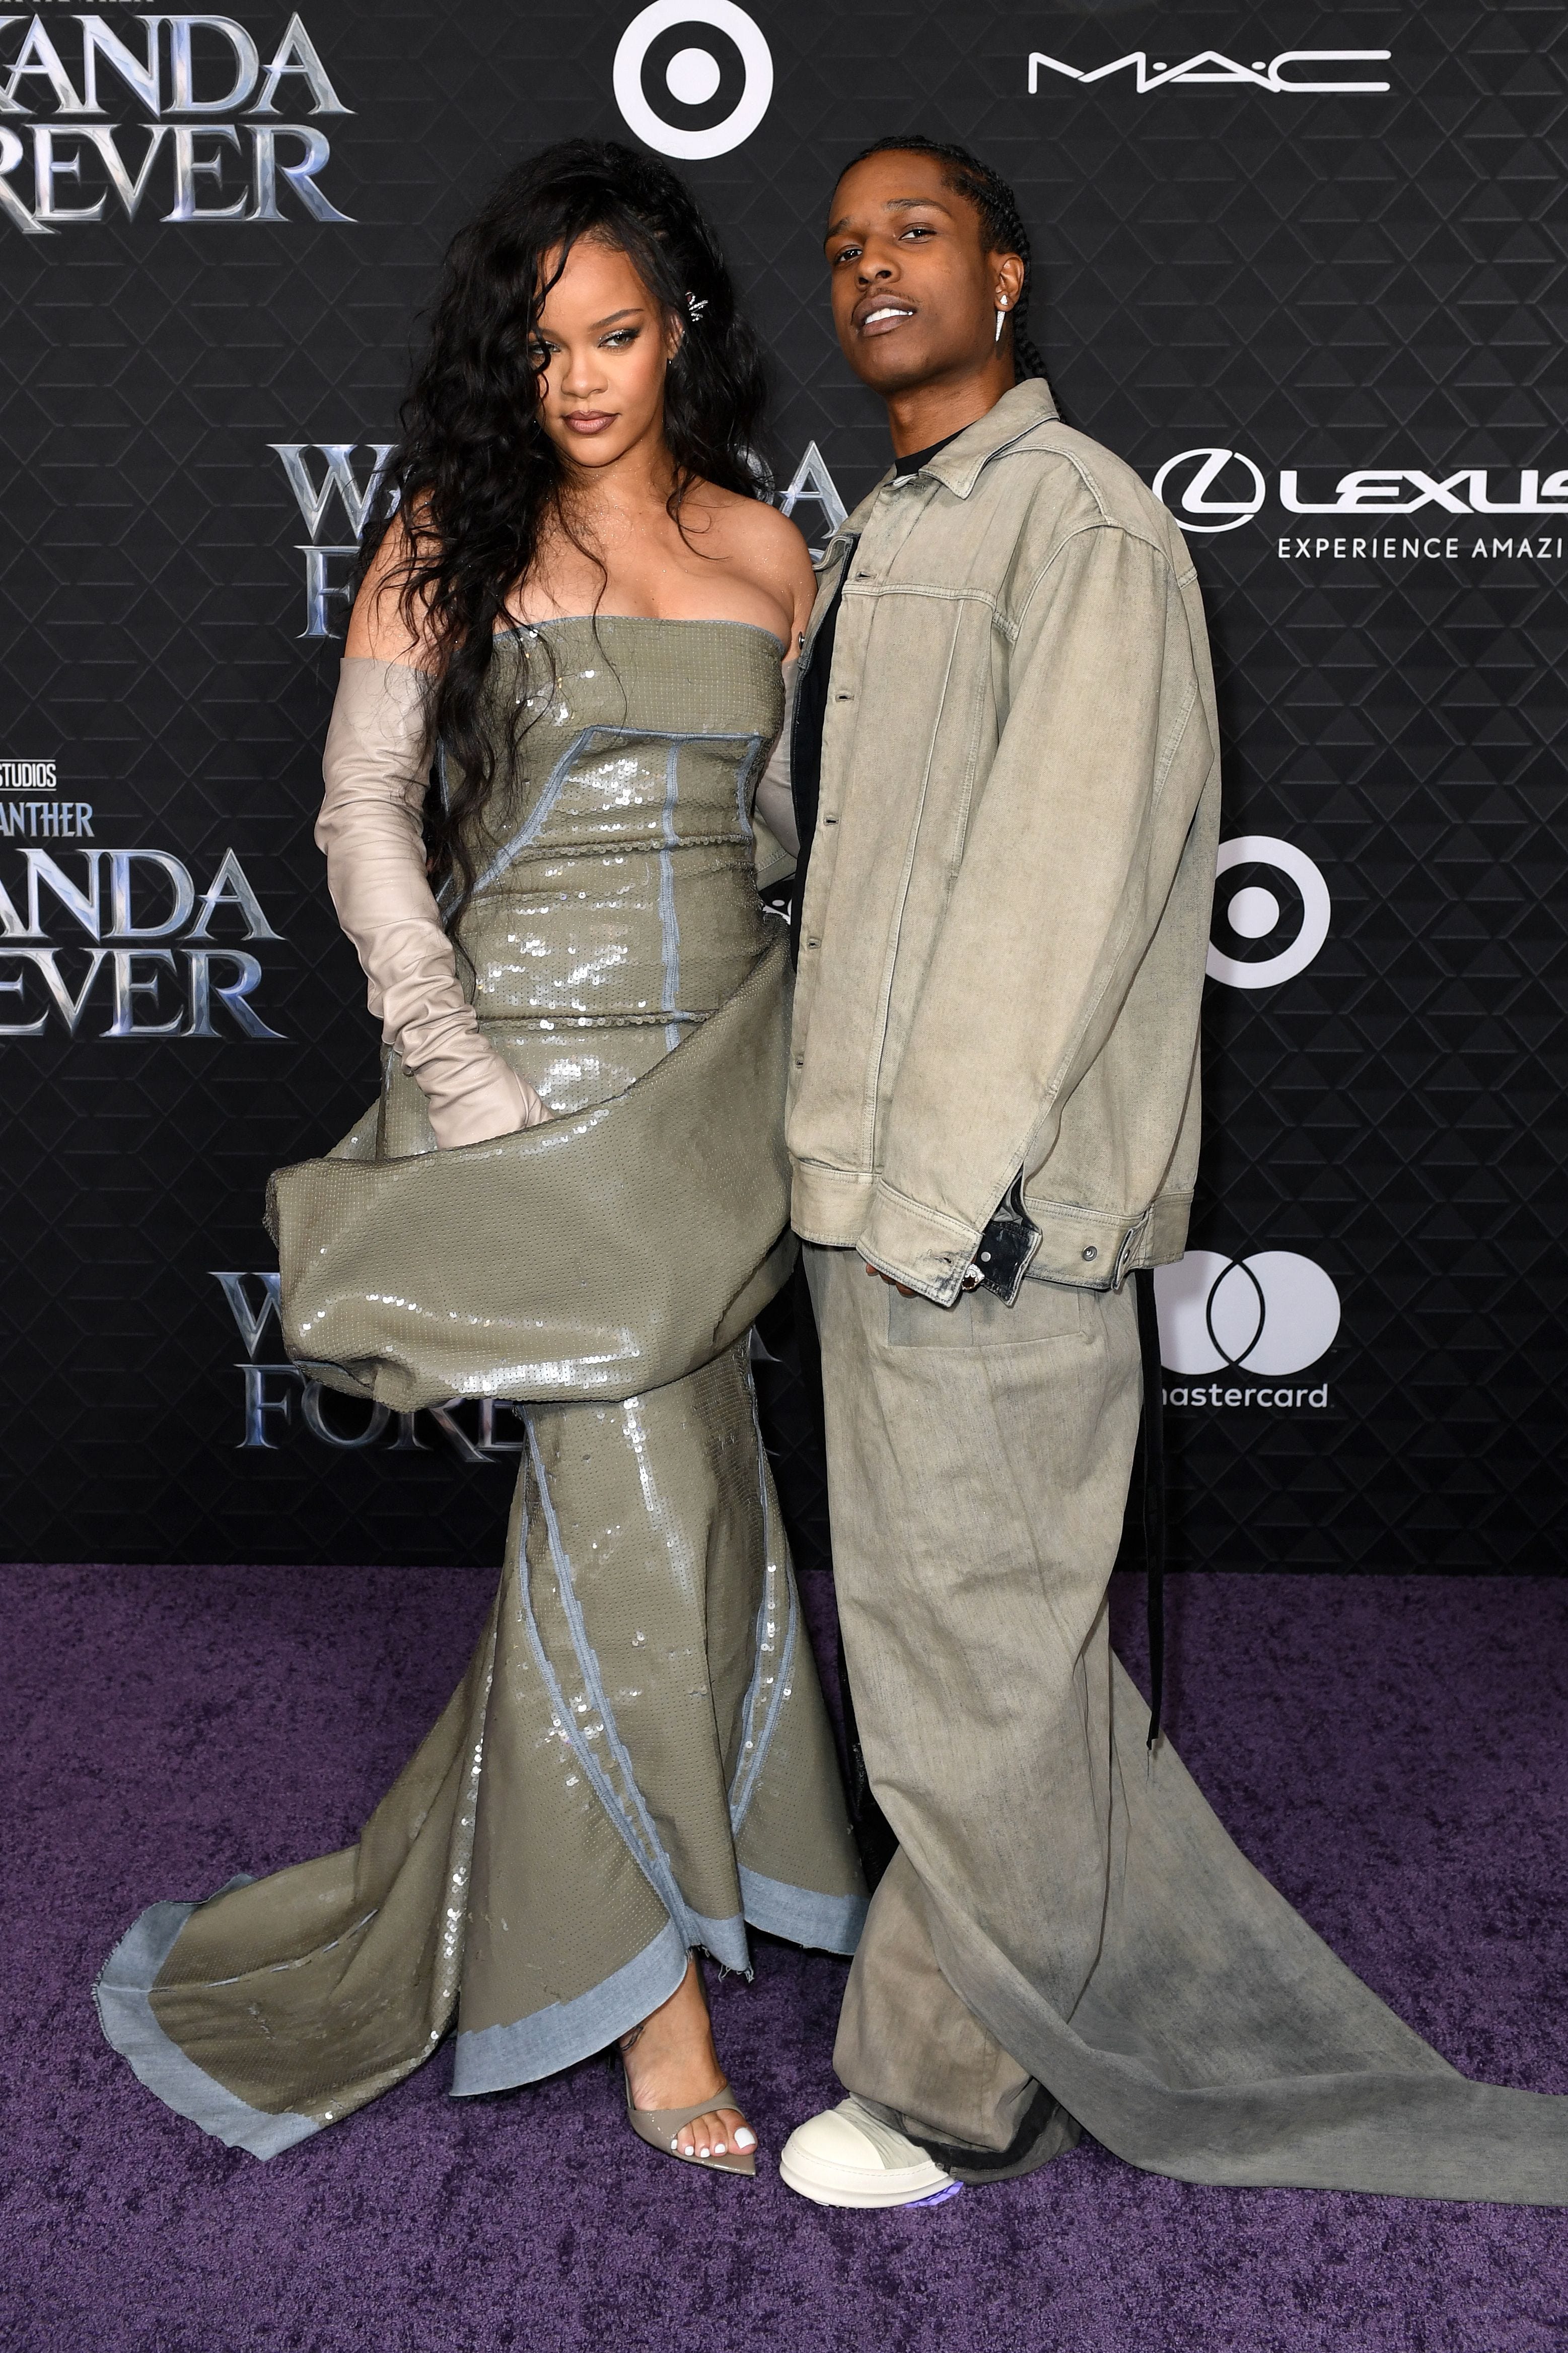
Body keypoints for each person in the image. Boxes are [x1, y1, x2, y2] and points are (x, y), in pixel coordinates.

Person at [774, 134, 1568, 2209]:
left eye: (916, 235)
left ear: (1006, 279)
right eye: (846, 246)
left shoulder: (1082, 524)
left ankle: (950, 2087)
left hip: (984, 1217)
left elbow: (1062, 890)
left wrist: (940, 1204)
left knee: (976, 1671)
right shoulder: (878, 530)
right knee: (966, 1651)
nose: (873, 269)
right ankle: (998, 2004)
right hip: (867, 1202)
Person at [94, 139, 865, 2176]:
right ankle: (643, 2001)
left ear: (677, 328)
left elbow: (789, 849)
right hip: (530, 1089)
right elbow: (361, 814)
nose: (582, 378)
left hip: (709, 1100)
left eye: (613, 335)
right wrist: (459, 1070)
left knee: (690, 1506)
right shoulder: (449, 537)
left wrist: (784, 1083)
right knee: (626, 1509)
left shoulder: (775, 554)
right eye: (541, 348)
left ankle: (615, 1893)